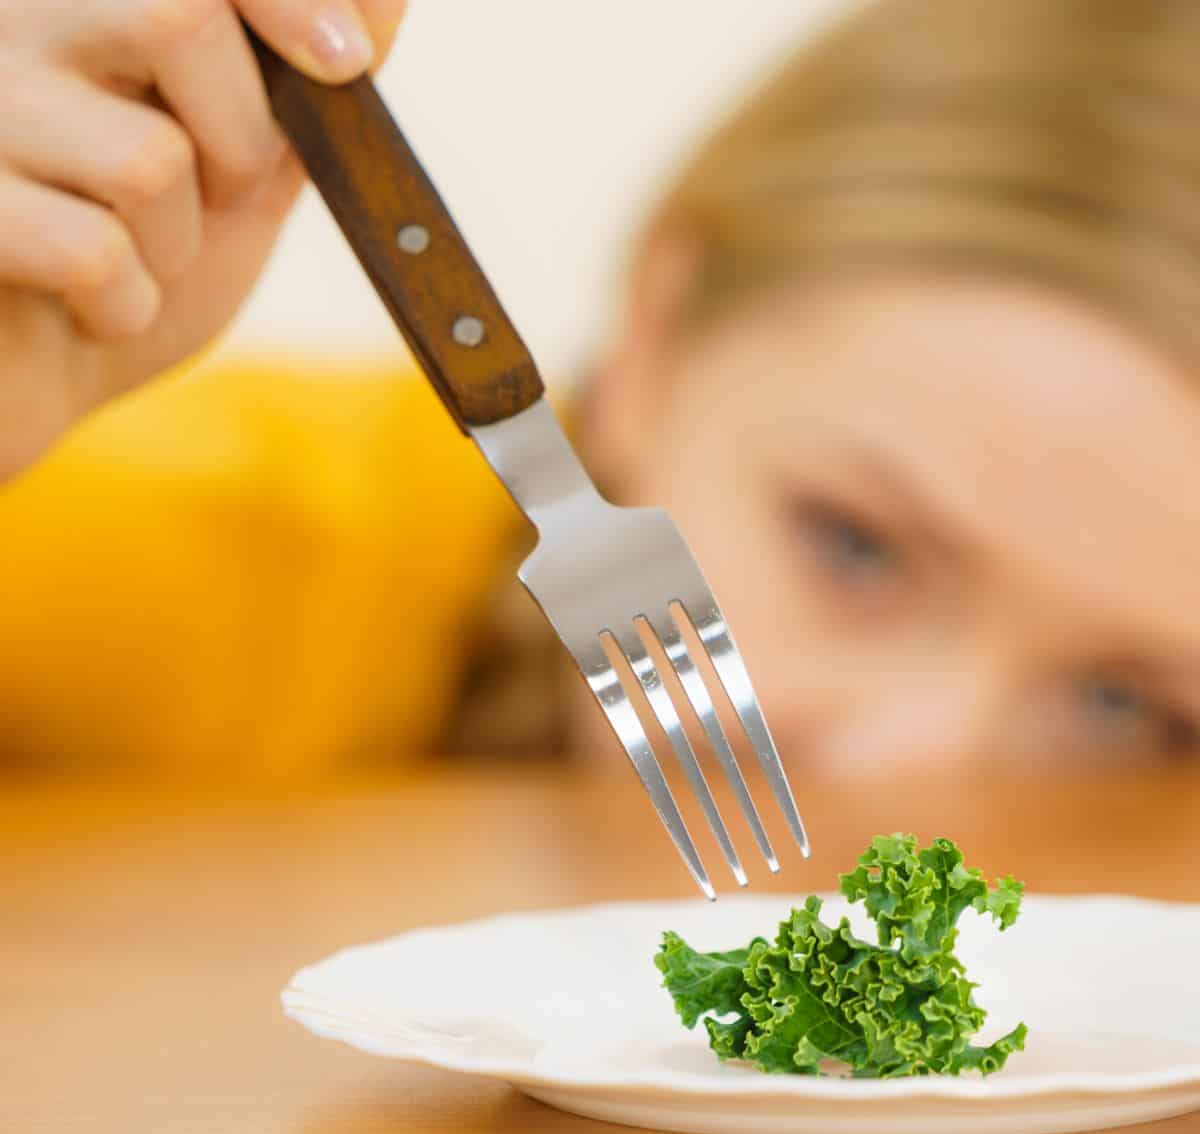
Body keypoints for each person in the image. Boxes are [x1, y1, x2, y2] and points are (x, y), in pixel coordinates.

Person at [3, 0, 1200, 785]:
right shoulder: (200, 532)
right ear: (652, 342)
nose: (907, 779)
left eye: (1122, 710)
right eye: (858, 549)